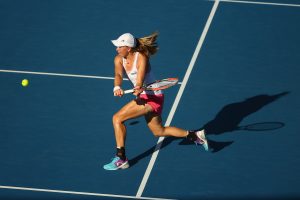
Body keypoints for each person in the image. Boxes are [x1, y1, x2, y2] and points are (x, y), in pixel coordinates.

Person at [103, 32, 209, 170]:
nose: (117, 49)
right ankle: (195, 135)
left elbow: (140, 77)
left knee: (117, 118)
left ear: (128, 48)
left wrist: (138, 86)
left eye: (119, 46)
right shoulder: (118, 59)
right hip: (143, 96)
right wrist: (117, 87)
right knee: (159, 131)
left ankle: (121, 158)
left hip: (154, 97)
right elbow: (118, 74)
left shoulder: (141, 57)